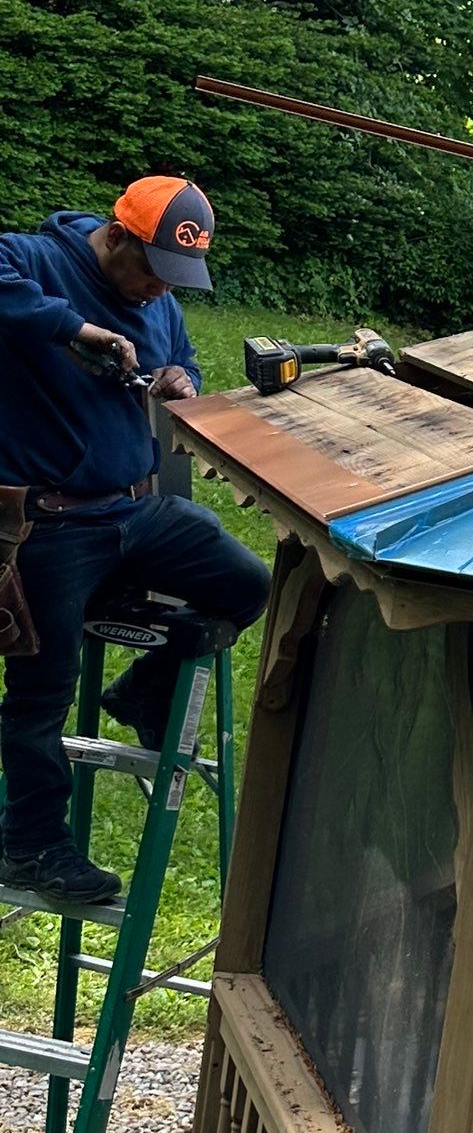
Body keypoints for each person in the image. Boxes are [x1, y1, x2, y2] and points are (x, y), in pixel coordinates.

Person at [0, 178, 270, 915]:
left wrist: (185, 379)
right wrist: (73, 331)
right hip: (47, 524)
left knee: (245, 582)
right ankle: (29, 846)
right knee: (39, 695)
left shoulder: (163, 300)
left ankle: (140, 691)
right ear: (116, 238)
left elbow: (183, 360)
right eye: (151, 271)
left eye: (174, 279)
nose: (157, 290)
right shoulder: (33, 259)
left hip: (132, 514)